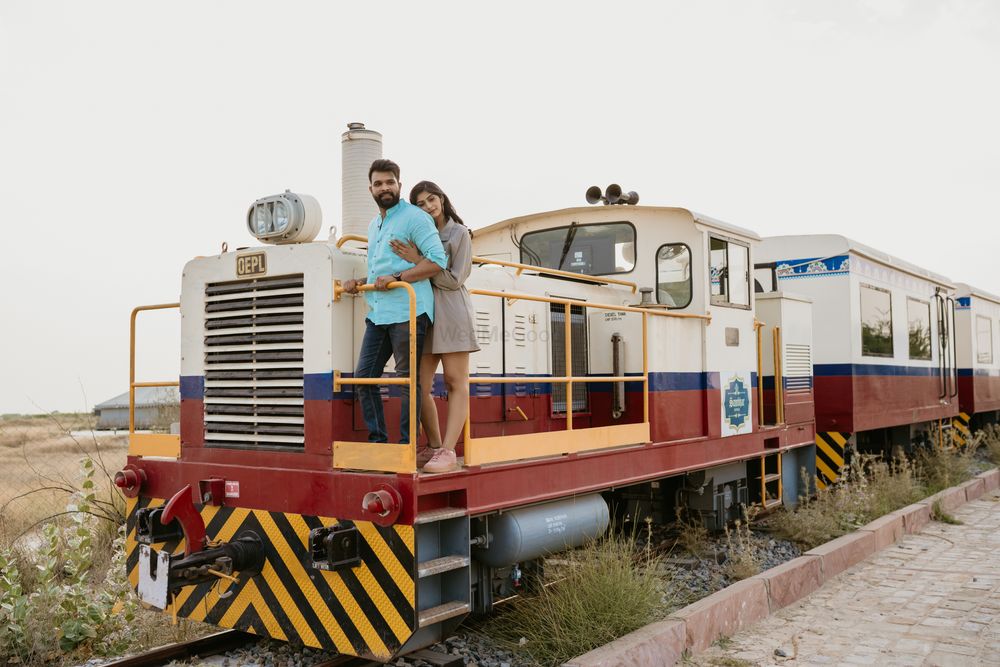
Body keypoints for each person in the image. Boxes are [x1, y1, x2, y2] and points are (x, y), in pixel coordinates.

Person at [343, 160, 447, 445]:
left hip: (409, 310)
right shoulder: (374, 224)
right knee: (364, 379)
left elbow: (438, 261)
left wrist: (398, 276)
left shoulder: (415, 218)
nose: (384, 187)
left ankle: (406, 448)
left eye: (390, 182)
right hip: (378, 312)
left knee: (407, 382)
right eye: (378, 183)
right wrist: (358, 282)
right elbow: (381, 271)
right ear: (370, 189)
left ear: (399, 185)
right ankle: (379, 442)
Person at [390, 181, 479, 473]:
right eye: (421, 203)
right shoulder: (417, 233)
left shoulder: (459, 233)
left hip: (452, 312)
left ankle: (449, 450)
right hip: (424, 312)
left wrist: (419, 261)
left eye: (432, 199)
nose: (429, 206)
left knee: (455, 381)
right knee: (420, 384)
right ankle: (434, 443)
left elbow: (455, 280)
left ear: (442, 198)